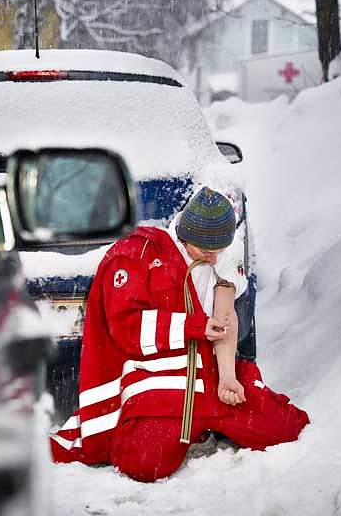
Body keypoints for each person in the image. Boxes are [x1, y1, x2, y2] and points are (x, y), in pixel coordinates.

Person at [49, 187, 309, 482]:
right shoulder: (138, 253)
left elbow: (225, 314)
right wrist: (193, 326)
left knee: (287, 428)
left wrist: (227, 377)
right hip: (158, 383)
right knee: (144, 466)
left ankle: (205, 421)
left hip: (208, 379)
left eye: (219, 252)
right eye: (205, 252)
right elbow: (126, 329)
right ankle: (177, 426)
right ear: (185, 236)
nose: (213, 260)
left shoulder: (222, 249)